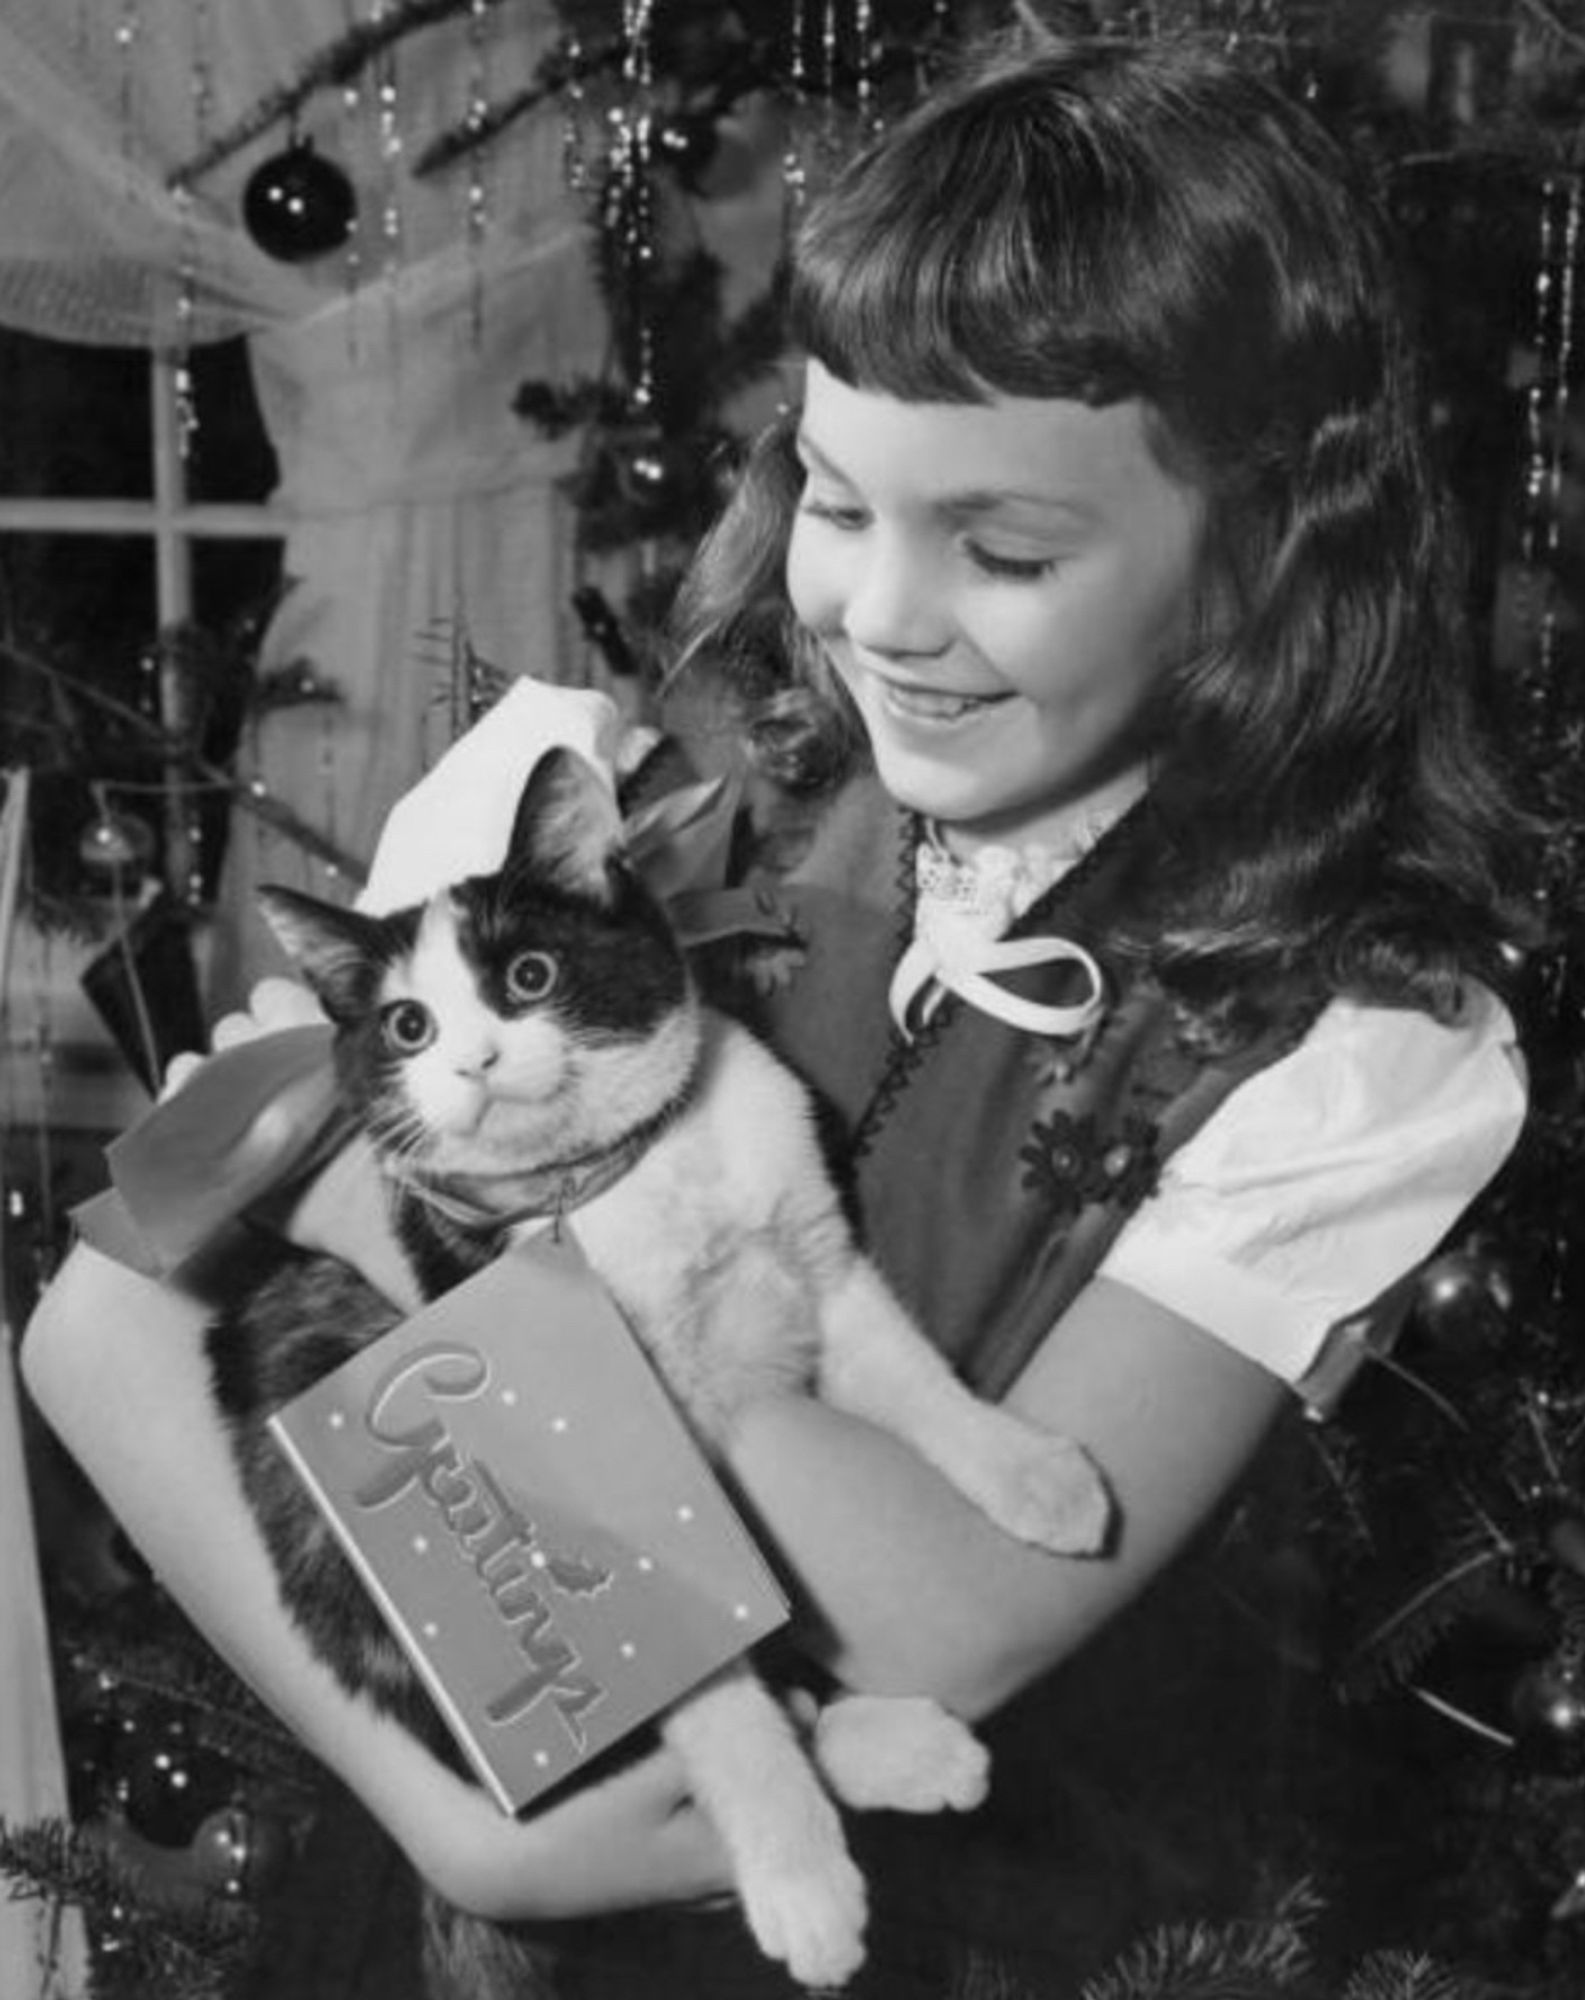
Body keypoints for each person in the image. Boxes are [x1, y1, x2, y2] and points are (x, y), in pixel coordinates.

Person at [23, 30, 1532, 2000]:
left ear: (1252, 550)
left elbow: (943, 1612)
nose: (884, 612)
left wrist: (453, 1259)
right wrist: (463, 1811)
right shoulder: (639, 813)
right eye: (834, 500)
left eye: (1000, 549)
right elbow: (100, 1318)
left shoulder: (1347, 1047)